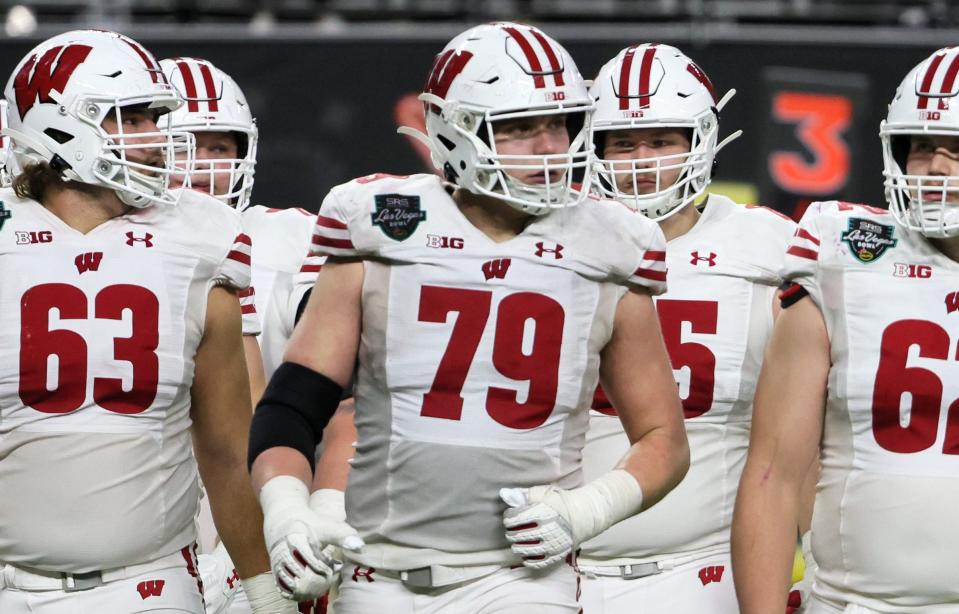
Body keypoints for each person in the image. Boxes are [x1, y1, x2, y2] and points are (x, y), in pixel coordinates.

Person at [247, 21, 690, 613]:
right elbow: (291, 406)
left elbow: (665, 439)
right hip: (377, 574)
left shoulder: (609, 243)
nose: (548, 146)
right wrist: (287, 514)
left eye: (558, 123)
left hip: (520, 579)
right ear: (454, 133)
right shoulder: (383, 225)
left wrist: (586, 510)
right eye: (519, 128)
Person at [0, 30, 293, 614]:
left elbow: (227, 448)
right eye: (130, 118)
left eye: (153, 119)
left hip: (149, 587)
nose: (156, 138)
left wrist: (266, 591)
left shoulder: (199, 239)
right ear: (59, 126)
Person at [732, 46, 959, 613]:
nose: (936, 169)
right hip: (856, 603)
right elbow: (771, 473)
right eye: (922, 148)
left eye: (958, 150)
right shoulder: (847, 255)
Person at [577, 43, 797, 614]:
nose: (642, 160)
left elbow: (810, 430)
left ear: (701, 140)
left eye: (662, 140)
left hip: (705, 569)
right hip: (551, 571)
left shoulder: (767, 247)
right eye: (622, 143)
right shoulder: (554, 243)